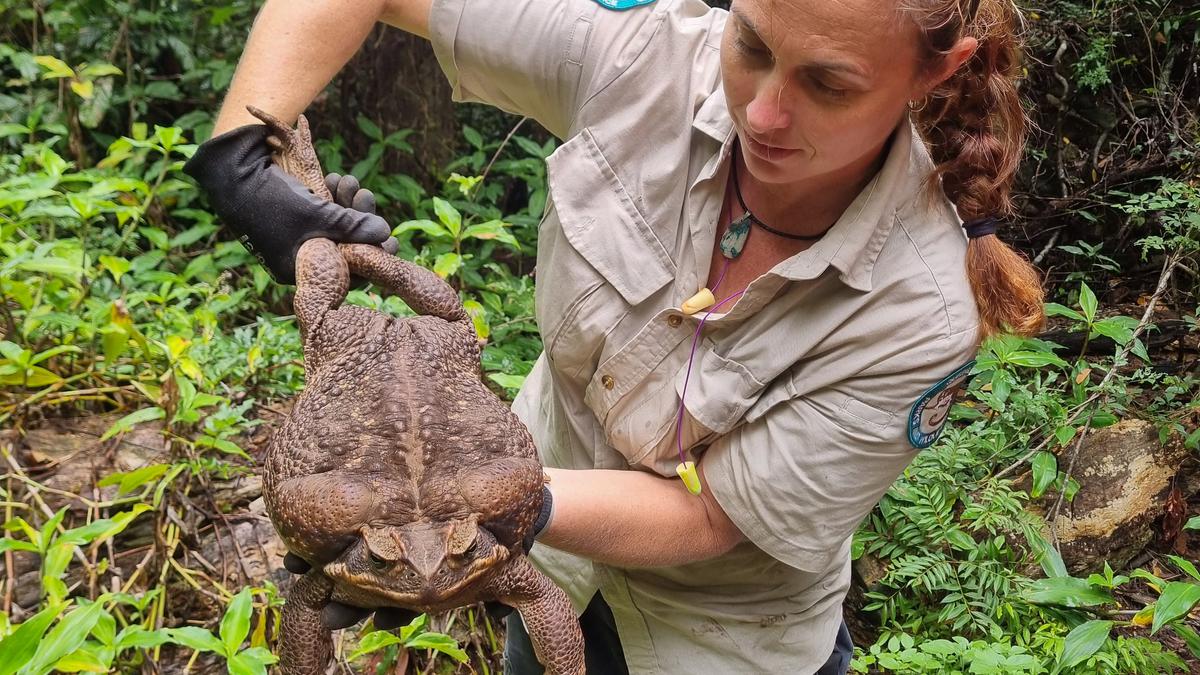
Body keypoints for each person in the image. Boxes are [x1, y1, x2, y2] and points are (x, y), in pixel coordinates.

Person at [184, 0, 1046, 671]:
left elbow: (712, 516)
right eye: (750, 44)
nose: (766, 112)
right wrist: (241, 160)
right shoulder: (646, 55)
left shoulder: (922, 308)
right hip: (549, 575)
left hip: (723, 642)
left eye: (830, 84)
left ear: (936, 73)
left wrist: (484, 504)